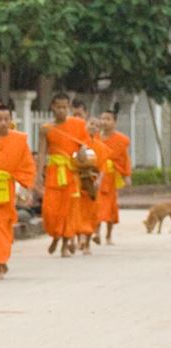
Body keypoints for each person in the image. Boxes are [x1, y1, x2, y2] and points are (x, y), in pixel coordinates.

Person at [0, 105, 36, 278]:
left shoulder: (19, 140)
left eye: (6, 119)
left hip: (7, 191)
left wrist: (26, 189)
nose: (3, 123)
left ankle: (0, 260)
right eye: (0, 119)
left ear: (11, 120)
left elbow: (27, 165)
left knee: (3, 228)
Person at [36, 93, 90, 258]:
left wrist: (83, 151)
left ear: (69, 108)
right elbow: (42, 152)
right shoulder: (46, 129)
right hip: (54, 172)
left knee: (68, 211)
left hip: (71, 173)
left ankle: (64, 245)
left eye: (65, 107)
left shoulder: (78, 125)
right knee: (50, 211)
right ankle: (55, 236)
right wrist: (38, 174)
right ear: (52, 107)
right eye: (58, 107)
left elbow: (84, 145)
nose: (61, 110)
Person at [95, 110, 132, 244]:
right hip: (97, 177)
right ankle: (96, 233)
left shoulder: (121, 140)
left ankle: (108, 236)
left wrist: (126, 175)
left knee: (111, 207)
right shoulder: (95, 137)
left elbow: (125, 159)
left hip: (111, 178)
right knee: (97, 204)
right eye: (102, 119)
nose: (104, 122)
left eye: (108, 119)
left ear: (114, 122)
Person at [77, 117, 110, 254]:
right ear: (85, 125)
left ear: (99, 130)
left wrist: (99, 180)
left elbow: (102, 167)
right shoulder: (77, 142)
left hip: (93, 182)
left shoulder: (100, 147)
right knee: (78, 211)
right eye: (91, 124)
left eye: (96, 126)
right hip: (79, 181)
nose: (93, 127)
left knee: (92, 213)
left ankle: (87, 244)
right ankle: (80, 237)